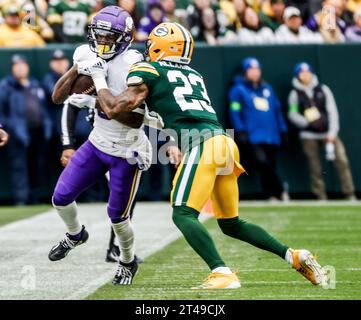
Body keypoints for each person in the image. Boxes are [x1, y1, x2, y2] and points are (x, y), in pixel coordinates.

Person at [85, 22, 327, 289]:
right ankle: (293, 256)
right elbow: (172, 113)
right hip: (224, 142)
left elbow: (120, 106)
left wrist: (97, 85)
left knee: (183, 214)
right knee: (231, 224)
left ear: (161, 46)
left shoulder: (149, 69)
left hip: (202, 144)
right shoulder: (194, 75)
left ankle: (222, 272)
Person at [48, 6, 152, 286]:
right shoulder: (86, 52)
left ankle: (127, 261)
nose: (102, 43)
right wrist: (76, 70)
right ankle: (75, 234)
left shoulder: (133, 64)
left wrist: (95, 90)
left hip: (126, 150)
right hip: (97, 142)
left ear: (125, 38)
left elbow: (133, 120)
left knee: (118, 217)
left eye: (110, 37)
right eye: (99, 36)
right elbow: (58, 97)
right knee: (60, 197)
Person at [288, 62, 356, 200]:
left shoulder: (323, 89)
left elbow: (332, 111)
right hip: (308, 135)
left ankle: (349, 193)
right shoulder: (294, 94)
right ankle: (320, 196)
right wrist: (307, 122)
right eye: (302, 73)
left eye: (307, 72)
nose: (305, 75)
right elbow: (292, 114)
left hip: (328, 133)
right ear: (297, 75)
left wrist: (332, 132)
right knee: (315, 167)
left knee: (342, 160)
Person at [228, 57, 289, 201]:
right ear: (245, 72)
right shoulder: (238, 90)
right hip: (252, 135)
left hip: (271, 134)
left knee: (271, 165)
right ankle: (281, 189)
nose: (255, 73)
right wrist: (240, 130)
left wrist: (283, 129)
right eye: (251, 69)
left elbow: (276, 110)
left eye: (257, 69)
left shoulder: (267, 88)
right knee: (262, 162)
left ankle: (271, 194)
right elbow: (234, 111)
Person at [0, 54, 52, 204]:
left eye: (23, 65)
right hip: (16, 135)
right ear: (12, 69)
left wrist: (46, 127)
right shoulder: (5, 86)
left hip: (37, 133)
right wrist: (10, 127)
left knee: (36, 166)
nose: (21, 69)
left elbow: (44, 109)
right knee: (19, 167)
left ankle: (34, 198)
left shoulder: (35, 84)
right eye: (17, 66)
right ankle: (21, 199)